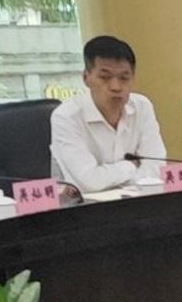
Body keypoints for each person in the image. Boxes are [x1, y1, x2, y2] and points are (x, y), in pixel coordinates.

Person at [50, 34, 170, 195]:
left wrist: (114, 179)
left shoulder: (142, 106)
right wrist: (132, 165)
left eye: (124, 78)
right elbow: (88, 182)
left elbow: (157, 169)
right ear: (86, 78)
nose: (116, 86)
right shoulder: (66, 117)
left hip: (137, 204)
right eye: (105, 77)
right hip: (82, 210)